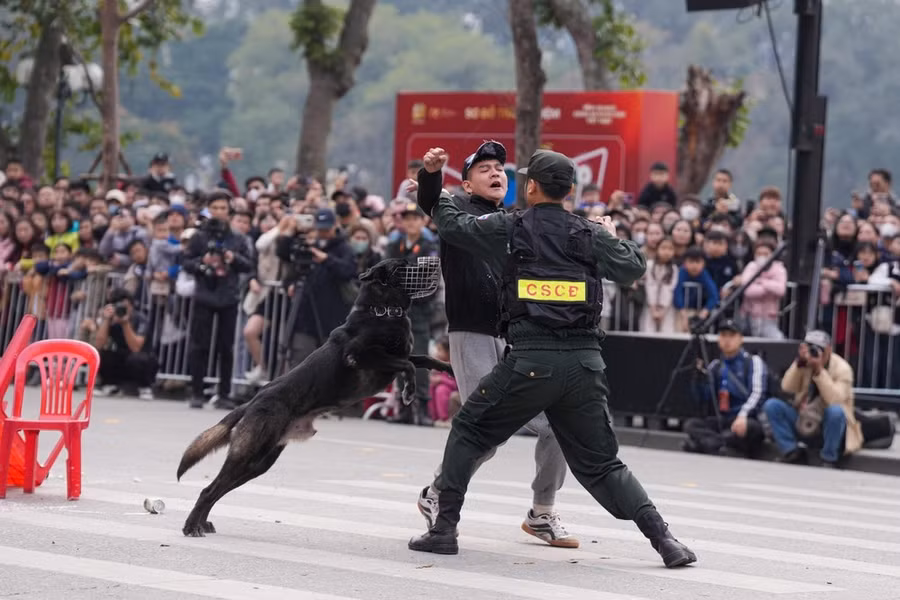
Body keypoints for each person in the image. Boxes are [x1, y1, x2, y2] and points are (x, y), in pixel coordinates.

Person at [408, 148, 696, 569]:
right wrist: (611, 234)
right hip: (585, 366)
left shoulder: (511, 227)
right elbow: (633, 267)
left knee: (470, 429)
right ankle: (665, 539)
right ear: (571, 191)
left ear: (531, 187)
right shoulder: (589, 233)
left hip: (530, 360)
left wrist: (440, 194)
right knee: (603, 464)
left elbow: (452, 225)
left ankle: (444, 529)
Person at [415, 141, 578, 547]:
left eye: (500, 168)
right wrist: (432, 174)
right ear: (466, 184)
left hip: (517, 339)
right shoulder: (456, 215)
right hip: (472, 334)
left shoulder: (516, 223)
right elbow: (432, 201)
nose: (495, 173)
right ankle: (438, 493)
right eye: (484, 167)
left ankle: (542, 512)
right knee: (485, 430)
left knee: (559, 422)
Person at [181, 191, 253, 409]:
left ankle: (224, 393)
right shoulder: (199, 236)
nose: (219, 212)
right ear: (208, 210)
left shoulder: (238, 238)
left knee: (226, 347)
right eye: (215, 208)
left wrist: (232, 258)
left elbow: (248, 265)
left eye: (223, 208)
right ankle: (196, 391)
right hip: (204, 294)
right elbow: (186, 262)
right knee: (198, 345)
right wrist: (202, 263)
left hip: (228, 296)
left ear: (229, 211)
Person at [763, 330, 862, 468]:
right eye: (811, 348)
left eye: (819, 349)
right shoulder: (804, 362)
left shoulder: (842, 369)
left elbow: (835, 400)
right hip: (804, 417)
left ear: (828, 349)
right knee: (772, 406)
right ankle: (792, 451)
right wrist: (798, 364)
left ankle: (829, 458)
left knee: (836, 411)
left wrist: (819, 371)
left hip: (829, 424)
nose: (815, 352)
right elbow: (786, 387)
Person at [683, 320, 770, 457]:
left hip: (745, 418)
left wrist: (743, 415)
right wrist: (699, 379)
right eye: (723, 335)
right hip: (723, 419)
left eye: (731, 335)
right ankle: (721, 445)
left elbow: (758, 394)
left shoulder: (753, 362)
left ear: (740, 339)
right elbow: (703, 398)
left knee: (751, 428)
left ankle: (707, 444)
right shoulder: (715, 365)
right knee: (691, 425)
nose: (727, 340)